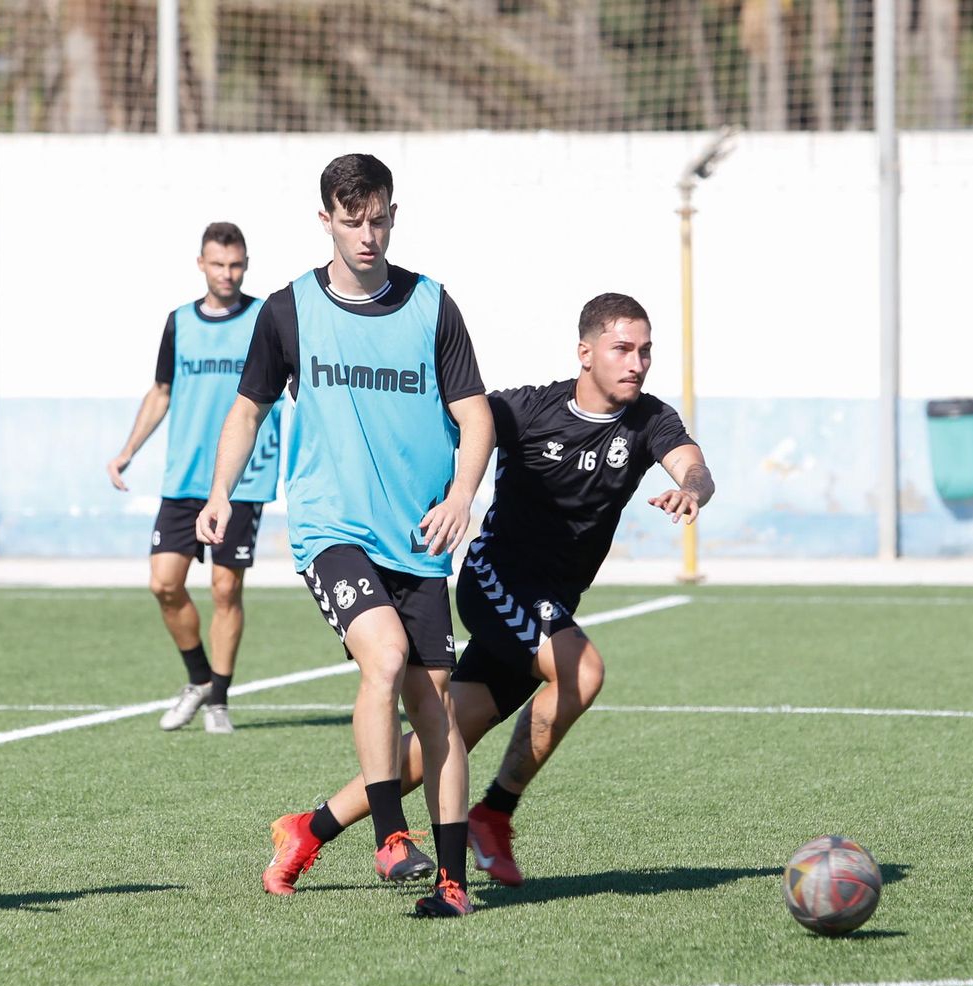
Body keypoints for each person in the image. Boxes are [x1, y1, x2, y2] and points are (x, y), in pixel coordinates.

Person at [261, 292, 715, 897]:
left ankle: (307, 831)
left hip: (550, 603)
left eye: (645, 351)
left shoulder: (649, 419)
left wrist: (691, 487)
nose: (637, 362)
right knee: (583, 672)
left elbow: (693, 465)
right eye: (622, 349)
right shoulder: (526, 410)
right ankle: (494, 813)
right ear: (586, 353)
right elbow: (453, 423)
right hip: (495, 582)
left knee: (440, 740)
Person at [199, 154, 494, 918]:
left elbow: (475, 415)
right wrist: (222, 491)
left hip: (419, 536)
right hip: (333, 528)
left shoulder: (433, 305)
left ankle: (449, 881)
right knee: (387, 657)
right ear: (325, 218)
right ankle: (391, 836)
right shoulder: (290, 310)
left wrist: (464, 493)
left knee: (437, 711)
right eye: (353, 218)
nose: (369, 233)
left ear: (394, 214)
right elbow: (247, 410)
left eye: (380, 217)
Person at [107, 222, 282, 735]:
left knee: (225, 590)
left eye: (236, 264)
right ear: (201, 264)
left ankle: (218, 702)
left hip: (240, 482)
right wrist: (127, 451)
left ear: (245, 265)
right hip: (183, 479)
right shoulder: (179, 323)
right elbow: (161, 391)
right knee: (164, 583)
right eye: (218, 264)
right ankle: (199, 677)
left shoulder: (263, 319)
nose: (227, 274)